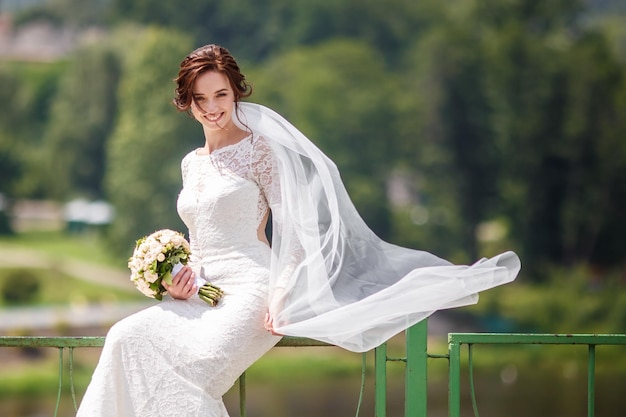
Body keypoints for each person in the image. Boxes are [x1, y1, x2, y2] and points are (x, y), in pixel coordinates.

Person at [76, 44, 520, 416]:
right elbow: (200, 235)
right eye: (200, 98)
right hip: (201, 293)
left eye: (220, 95)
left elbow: (297, 229)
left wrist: (282, 292)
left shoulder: (259, 151)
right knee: (124, 337)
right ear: (186, 102)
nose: (211, 108)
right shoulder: (191, 163)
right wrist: (177, 281)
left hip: (252, 290)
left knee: (192, 370)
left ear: (236, 93)